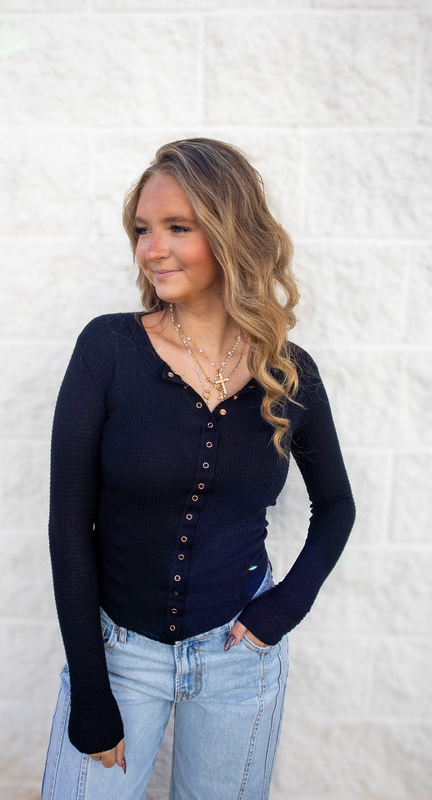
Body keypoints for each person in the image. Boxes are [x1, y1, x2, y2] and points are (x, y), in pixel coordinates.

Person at [41, 138, 355, 800]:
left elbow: (336, 507)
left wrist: (282, 608)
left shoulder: (287, 373)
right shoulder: (108, 349)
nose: (151, 249)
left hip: (240, 661)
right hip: (120, 656)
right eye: (142, 230)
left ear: (228, 231)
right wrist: (90, 694)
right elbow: (69, 524)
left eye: (176, 228)